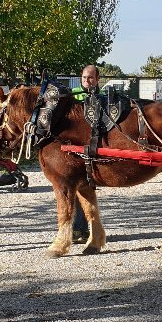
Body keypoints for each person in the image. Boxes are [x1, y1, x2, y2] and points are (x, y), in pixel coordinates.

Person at [71, 65, 100, 243]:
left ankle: (86, 229)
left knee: (85, 189)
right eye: (84, 78)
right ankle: (78, 229)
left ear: (97, 79)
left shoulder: (102, 97)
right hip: (74, 147)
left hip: (93, 146)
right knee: (76, 189)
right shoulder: (72, 95)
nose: (86, 81)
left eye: (90, 78)